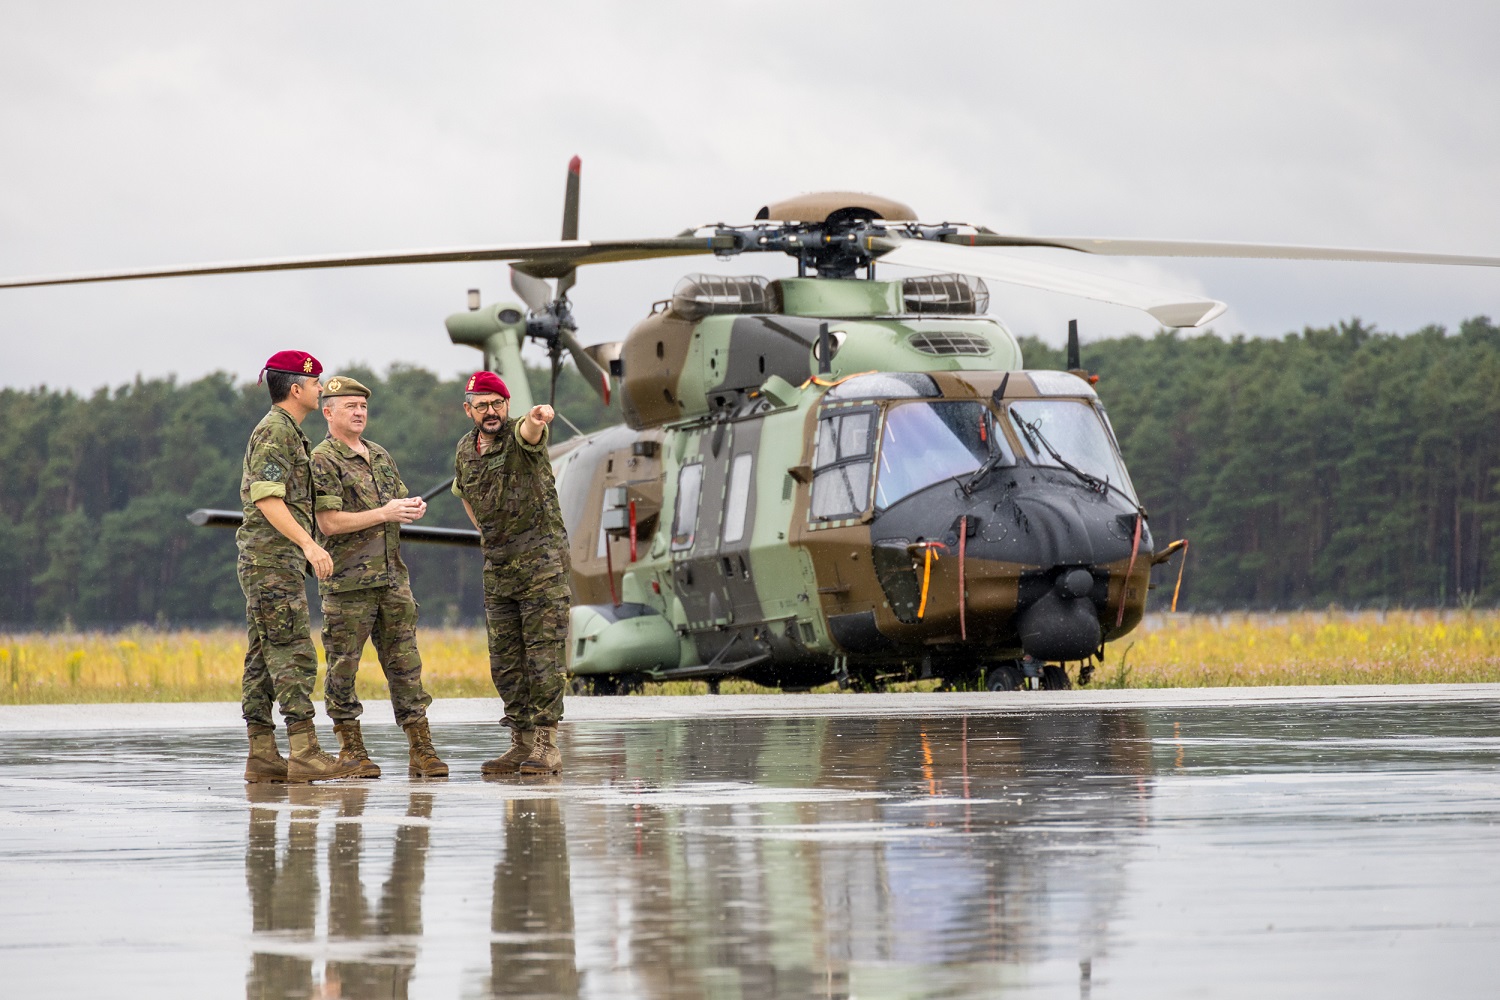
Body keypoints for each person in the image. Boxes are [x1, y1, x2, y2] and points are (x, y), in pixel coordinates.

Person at [311, 375, 448, 778]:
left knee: (406, 668)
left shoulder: (379, 455)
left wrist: (409, 507)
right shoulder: (323, 459)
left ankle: (421, 748)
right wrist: (386, 513)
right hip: (349, 585)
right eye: (350, 406)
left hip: (392, 581)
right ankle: (351, 750)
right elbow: (330, 522)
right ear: (328, 412)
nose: (359, 413)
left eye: (363, 407)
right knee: (343, 669)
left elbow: (395, 504)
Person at [239, 351, 361, 783]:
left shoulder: (288, 431)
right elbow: (267, 497)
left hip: (270, 560)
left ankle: (263, 754)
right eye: (315, 384)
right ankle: (304, 751)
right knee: (293, 652)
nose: (320, 389)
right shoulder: (276, 431)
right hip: (272, 561)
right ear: (296, 389)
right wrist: (310, 545)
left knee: (263, 656)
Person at [452, 371, 571, 775]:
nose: (491, 411)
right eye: (482, 405)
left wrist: (538, 418)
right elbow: (464, 493)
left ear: (507, 406)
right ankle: (520, 743)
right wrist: (487, 533)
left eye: (498, 403)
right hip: (499, 567)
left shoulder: (519, 438)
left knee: (543, 656)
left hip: (541, 565)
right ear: (468, 410)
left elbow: (531, 432)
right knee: (505, 661)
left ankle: (546, 744)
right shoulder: (465, 450)